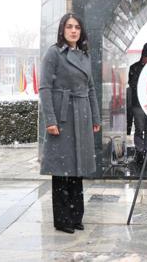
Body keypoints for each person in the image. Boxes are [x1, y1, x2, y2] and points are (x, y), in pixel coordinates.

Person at [39, 13, 101, 234]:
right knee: (61, 168)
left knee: (78, 167)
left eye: (77, 27)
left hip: (82, 114)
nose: (73, 31)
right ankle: (62, 218)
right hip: (63, 114)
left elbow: (91, 88)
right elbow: (45, 88)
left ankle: (76, 216)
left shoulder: (84, 55)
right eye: (69, 27)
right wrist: (50, 120)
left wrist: (95, 117)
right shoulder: (54, 53)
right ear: (62, 30)